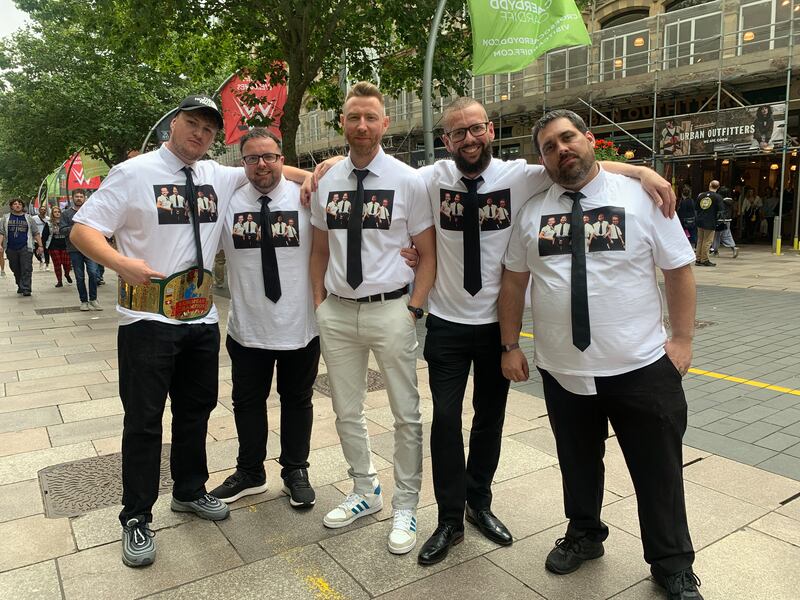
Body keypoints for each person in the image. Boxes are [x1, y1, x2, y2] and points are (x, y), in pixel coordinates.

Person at [307, 96, 676, 567]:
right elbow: (372, 163)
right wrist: (332, 162)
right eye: (457, 132)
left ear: (491, 130)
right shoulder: (429, 179)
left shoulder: (520, 176)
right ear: (446, 141)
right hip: (445, 320)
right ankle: (448, 519)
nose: (468, 138)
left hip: (497, 325)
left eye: (475, 129)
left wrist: (642, 173)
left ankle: (479, 504)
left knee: (489, 420)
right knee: (444, 421)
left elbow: (577, 163)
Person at [69, 94, 310, 569]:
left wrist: (318, 175)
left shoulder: (216, 175)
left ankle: (189, 490)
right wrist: (118, 262)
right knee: (143, 420)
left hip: (200, 321)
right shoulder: (133, 173)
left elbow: (271, 169)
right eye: (192, 124)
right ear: (172, 125)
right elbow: (83, 229)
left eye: (209, 130)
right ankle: (136, 517)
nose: (200, 135)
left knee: (195, 412)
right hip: (148, 320)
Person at [499, 109, 702, 600]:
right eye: (549, 146)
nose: (561, 149)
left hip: (641, 366)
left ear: (590, 141)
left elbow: (678, 268)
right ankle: (585, 535)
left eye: (568, 138)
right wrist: (509, 344)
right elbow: (513, 281)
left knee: (657, 470)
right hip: (563, 369)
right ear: (543, 159)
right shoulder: (532, 213)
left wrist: (682, 339)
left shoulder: (641, 198)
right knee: (577, 462)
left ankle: (672, 563)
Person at [309, 81, 436, 556]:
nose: (361, 125)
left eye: (370, 117)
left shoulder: (408, 180)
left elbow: (428, 253)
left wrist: (413, 309)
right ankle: (365, 491)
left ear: (385, 123)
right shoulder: (327, 180)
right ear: (342, 122)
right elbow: (320, 248)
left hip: (391, 310)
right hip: (338, 313)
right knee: (346, 411)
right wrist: (318, 302)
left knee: (407, 413)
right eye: (352, 117)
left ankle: (406, 503)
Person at [209, 128, 320, 510]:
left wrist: (308, 176)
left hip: (300, 326)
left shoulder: (306, 197)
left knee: (297, 401)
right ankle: (251, 471)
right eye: (252, 158)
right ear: (242, 163)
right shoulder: (228, 201)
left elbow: (338, 169)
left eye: (269, 156)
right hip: (247, 328)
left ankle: (295, 470)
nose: (262, 164)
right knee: (247, 403)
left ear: (281, 157)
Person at [61, 189, 102, 310]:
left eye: (81, 196)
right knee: (79, 276)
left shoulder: (91, 212)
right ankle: (84, 301)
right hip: (74, 248)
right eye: (76, 196)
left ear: (85, 198)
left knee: (93, 274)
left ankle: (93, 299)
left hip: (90, 248)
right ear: (72, 198)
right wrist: (76, 227)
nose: (79, 198)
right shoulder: (66, 214)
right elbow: (62, 230)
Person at [0, 198, 44, 296]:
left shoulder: (29, 218)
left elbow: (35, 232)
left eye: (19, 204)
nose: (17, 205)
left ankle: (26, 288)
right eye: (15, 204)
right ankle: (20, 284)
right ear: (11, 206)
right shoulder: (5, 218)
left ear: (22, 206)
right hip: (10, 247)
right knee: (15, 267)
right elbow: (1, 232)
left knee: (26, 267)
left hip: (26, 246)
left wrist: (40, 245)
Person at [42, 206, 73, 287]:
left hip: (65, 245)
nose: (57, 213)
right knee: (57, 264)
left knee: (67, 264)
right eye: (55, 212)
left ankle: (67, 274)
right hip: (53, 246)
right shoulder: (49, 223)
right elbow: (45, 235)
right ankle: (59, 281)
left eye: (58, 212)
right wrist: (42, 246)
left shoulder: (65, 222)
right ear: (52, 213)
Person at [694, 180, 722, 267]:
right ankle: (704, 259)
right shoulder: (718, 197)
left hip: (700, 220)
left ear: (709, 185)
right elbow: (720, 211)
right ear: (718, 187)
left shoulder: (701, 195)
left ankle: (698, 259)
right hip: (710, 221)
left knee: (700, 240)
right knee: (707, 241)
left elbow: (696, 208)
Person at [710, 186, 738, 259]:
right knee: (727, 234)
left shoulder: (719, 200)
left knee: (716, 236)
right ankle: (733, 247)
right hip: (727, 220)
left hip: (719, 220)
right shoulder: (730, 201)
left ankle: (715, 251)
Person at [33, 205, 50, 271]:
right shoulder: (34, 218)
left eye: (44, 209)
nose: (43, 211)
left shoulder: (48, 219)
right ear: (39, 210)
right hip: (37, 237)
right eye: (41, 209)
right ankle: (40, 260)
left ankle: (47, 264)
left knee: (46, 251)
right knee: (35, 251)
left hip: (45, 237)